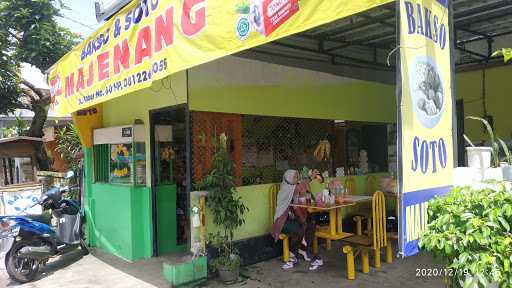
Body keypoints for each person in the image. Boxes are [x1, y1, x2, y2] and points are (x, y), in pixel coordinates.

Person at [272, 169, 323, 270]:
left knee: (311, 223)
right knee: (300, 228)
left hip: (294, 217)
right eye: (294, 177)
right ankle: (293, 255)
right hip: (283, 221)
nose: (297, 179)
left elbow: (301, 197)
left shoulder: (294, 188)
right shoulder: (286, 189)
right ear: (288, 179)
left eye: (297, 177)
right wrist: (310, 178)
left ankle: (303, 249)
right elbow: (300, 188)